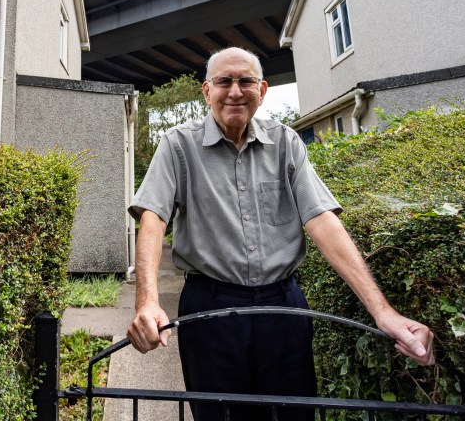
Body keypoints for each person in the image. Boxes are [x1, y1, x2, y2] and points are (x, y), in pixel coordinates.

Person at [126, 46, 434, 421]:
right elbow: (153, 218)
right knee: (220, 416)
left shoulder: (286, 142)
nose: (235, 91)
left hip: (283, 306)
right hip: (209, 309)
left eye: (246, 81)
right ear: (207, 91)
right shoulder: (178, 145)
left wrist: (383, 312)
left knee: (294, 414)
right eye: (224, 81)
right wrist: (147, 302)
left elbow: (321, 221)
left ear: (263, 89)